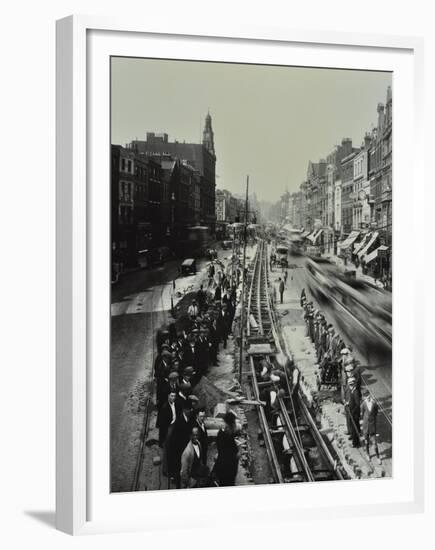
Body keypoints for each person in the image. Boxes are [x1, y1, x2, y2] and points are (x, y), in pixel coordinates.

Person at [213, 412, 239, 486]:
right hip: (227, 468)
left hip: (223, 467)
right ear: (231, 424)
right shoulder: (226, 435)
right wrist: (237, 452)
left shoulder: (222, 433)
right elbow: (229, 452)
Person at [361, 391, 381, 463]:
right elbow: (363, 414)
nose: (368, 398)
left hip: (372, 426)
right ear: (364, 397)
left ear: (370, 395)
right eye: (366, 397)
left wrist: (372, 420)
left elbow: (376, 412)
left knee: (374, 443)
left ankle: (378, 457)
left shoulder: (374, 404)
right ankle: (367, 454)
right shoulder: (363, 404)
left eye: (369, 396)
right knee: (366, 441)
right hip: (366, 426)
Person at [344, 379, 361, 447]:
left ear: (354, 384)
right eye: (349, 385)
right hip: (352, 412)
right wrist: (348, 403)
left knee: (354, 429)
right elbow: (352, 401)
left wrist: (352, 412)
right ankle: (355, 441)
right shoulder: (352, 391)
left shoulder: (355, 392)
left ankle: (355, 443)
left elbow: (357, 405)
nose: (350, 386)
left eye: (351, 385)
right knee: (353, 427)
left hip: (354, 414)